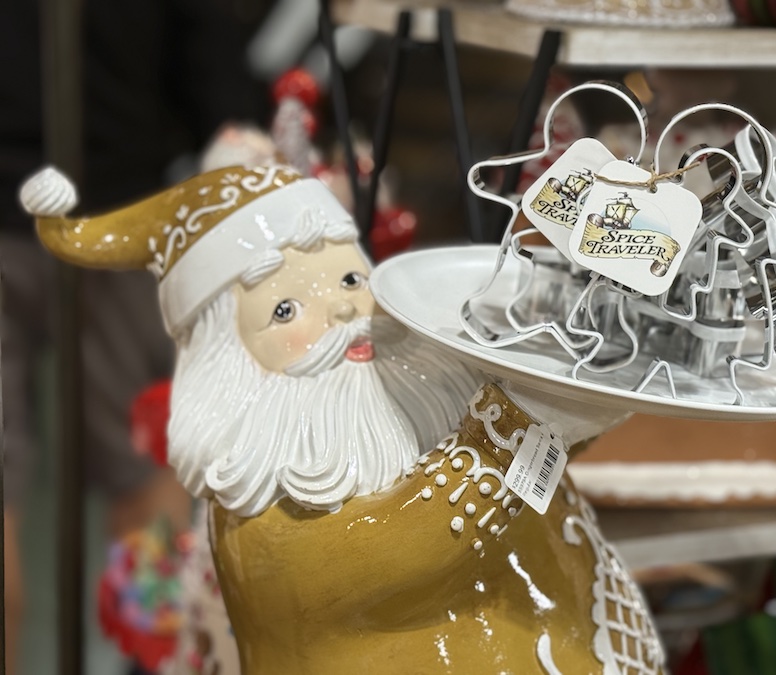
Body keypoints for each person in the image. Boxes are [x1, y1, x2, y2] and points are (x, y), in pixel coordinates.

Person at [21, 163, 665, 674]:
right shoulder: (264, 518)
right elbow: (407, 543)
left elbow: (533, 455)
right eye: (284, 310)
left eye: (351, 280)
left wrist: (580, 390)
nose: (341, 310)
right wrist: (528, 417)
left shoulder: (437, 407)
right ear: (228, 364)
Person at [0, 0, 268, 671]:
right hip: (112, 197)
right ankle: (158, 658)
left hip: (112, 213)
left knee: (145, 469)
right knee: (143, 475)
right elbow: (211, 66)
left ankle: (157, 656)